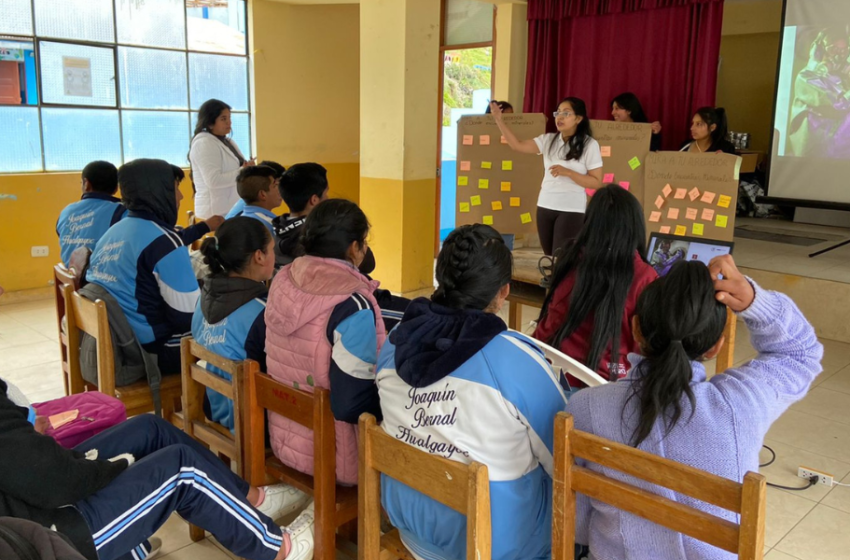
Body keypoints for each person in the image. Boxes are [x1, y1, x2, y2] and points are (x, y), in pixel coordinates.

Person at [568, 256, 823, 559]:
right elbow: (800, 353)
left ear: (636, 329)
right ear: (716, 346)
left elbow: (579, 525)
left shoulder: (585, 407)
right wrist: (754, 301)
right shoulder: (741, 404)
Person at [375, 224, 567, 560]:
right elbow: (564, 460)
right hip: (492, 547)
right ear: (503, 292)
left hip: (409, 527)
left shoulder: (395, 343)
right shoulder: (514, 359)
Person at [0, 379, 315, 560]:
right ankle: (278, 549)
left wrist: (23, 422)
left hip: (28, 492)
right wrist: (115, 466)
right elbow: (55, 481)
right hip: (43, 533)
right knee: (182, 469)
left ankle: (252, 500)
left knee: (148, 428)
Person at [265, 199, 385, 486]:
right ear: (355, 248)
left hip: (284, 439)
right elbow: (349, 404)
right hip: (334, 458)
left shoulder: (283, 278)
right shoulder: (352, 303)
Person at [85, 159, 199, 375]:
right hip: (149, 352)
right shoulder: (165, 242)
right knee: (230, 337)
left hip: (117, 342)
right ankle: (217, 406)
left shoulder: (113, 232)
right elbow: (187, 318)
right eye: (175, 189)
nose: (181, 196)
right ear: (160, 192)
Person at [534, 186, 658, 382]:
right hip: (610, 386)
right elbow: (648, 349)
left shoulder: (571, 260)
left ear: (589, 224)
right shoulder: (645, 277)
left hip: (550, 377)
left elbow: (546, 329)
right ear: (636, 226)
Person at [491, 98, 603, 257]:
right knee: (549, 257)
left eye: (566, 113)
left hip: (571, 209)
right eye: (558, 113)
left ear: (578, 118)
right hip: (545, 205)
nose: (560, 117)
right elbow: (517, 145)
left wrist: (569, 172)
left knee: (561, 258)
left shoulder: (589, 145)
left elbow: (597, 182)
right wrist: (498, 120)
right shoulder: (549, 140)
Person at [193, 217, 276, 431]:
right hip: (251, 421)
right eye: (272, 249)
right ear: (259, 256)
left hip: (214, 406)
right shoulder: (263, 312)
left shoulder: (202, 299)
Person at [189, 99, 255, 219]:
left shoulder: (228, 141)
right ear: (210, 123)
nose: (229, 122)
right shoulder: (204, 143)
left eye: (229, 118)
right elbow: (214, 180)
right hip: (216, 213)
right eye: (223, 119)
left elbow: (239, 167)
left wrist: (248, 167)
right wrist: (243, 171)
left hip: (232, 208)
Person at [56, 161, 123, 267]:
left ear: (86, 184)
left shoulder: (66, 211)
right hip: (103, 279)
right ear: (116, 188)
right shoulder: (122, 211)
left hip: (71, 276)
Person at [229, 166, 283, 236]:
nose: (279, 190)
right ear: (263, 195)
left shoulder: (241, 217)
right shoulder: (270, 226)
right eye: (275, 185)